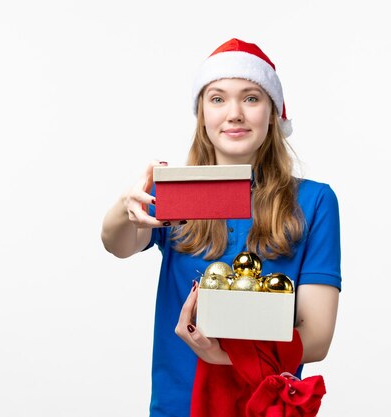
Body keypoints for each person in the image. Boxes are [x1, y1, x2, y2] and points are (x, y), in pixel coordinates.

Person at [101, 38, 341, 417]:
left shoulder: (314, 202)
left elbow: (317, 338)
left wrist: (224, 355)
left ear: (273, 113)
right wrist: (126, 208)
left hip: (264, 405)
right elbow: (118, 244)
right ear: (201, 115)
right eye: (217, 98)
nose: (234, 114)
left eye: (251, 98)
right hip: (177, 406)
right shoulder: (176, 192)